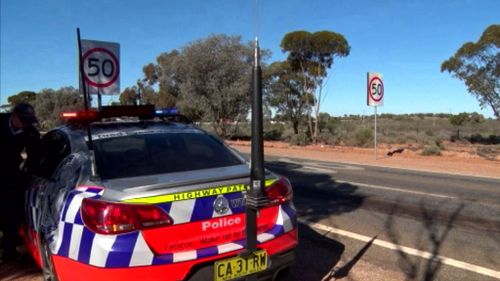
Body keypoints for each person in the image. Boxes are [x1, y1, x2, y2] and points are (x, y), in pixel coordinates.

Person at [0, 103, 40, 262]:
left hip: (10, 175)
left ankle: (9, 252)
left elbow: (34, 157)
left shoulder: (30, 133)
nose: (26, 124)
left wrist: (26, 175)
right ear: (14, 116)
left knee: (11, 214)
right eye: (23, 120)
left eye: (29, 121)